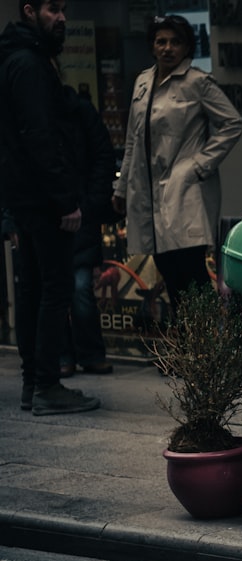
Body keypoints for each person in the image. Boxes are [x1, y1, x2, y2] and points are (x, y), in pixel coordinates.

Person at [0, 0, 100, 416]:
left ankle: (33, 384)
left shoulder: (21, 58)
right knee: (53, 288)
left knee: (34, 289)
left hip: (26, 195)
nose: (61, 17)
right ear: (29, 11)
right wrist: (64, 199)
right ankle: (46, 385)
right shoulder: (28, 63)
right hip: (41, 198)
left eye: (63, 10)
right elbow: (39, 135)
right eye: (52, 9)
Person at [112, 14, 242, 312]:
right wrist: (121, 189)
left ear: (187, 47)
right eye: (161, 41)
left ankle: (209, 349)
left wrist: (200, 164)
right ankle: (187, 351)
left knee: (192, 274)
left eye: (175, 42)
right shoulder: (143, 81)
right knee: (169, 273)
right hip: (149, 192)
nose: (168, 48)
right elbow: (133, 138)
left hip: (185, 192)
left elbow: (232, 123)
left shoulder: (197, 82)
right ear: (152, 45)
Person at [60, 84, 115, 379]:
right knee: (54, 291)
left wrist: (92, 202)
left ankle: (90, 354)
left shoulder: (79, 111)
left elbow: (102, 156)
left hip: (81, 211)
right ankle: (64, 355)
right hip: (52, 212)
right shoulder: (32, 113)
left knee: (81, 288)